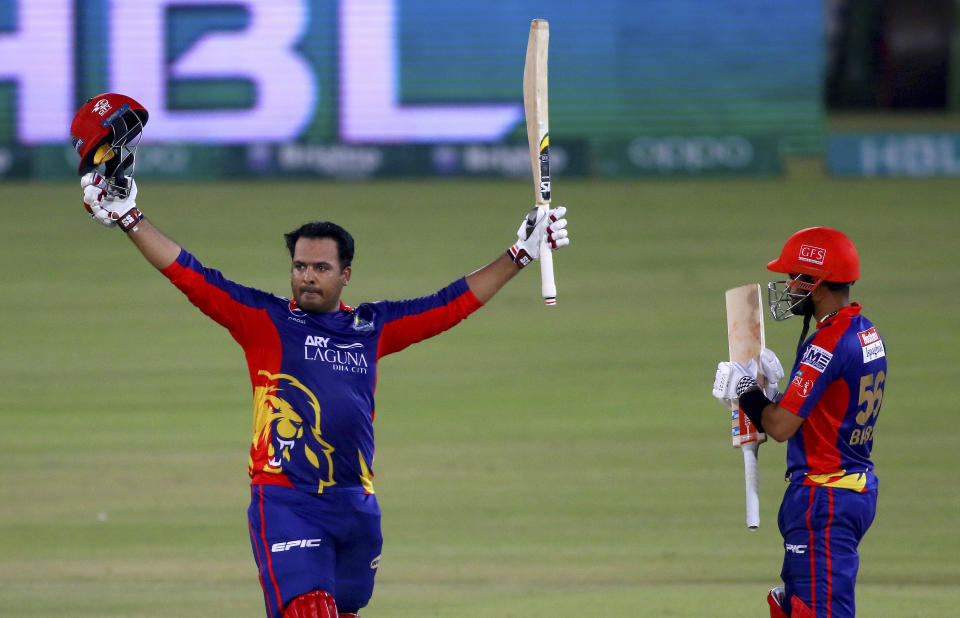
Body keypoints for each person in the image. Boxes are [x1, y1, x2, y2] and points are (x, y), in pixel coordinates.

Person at [78, 171, 568, 618]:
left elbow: (447, 306)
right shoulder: (265, 320)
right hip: (288, 501)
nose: (306, 276)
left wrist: (519, 254)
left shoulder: (371, 327)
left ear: (345, 274)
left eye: (319, 267)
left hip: (356, 505)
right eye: (298, 266)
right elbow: (191, 274)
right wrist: (130, 218)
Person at [712, 227, 886, 618]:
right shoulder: (865, 332)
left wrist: (745, 389)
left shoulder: (826, 344)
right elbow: (820, 415)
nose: (788, 286)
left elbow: (779, 427)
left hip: (823, 500)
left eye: (795, 277)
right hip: (851, 488)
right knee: (792, 605)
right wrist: (770, 394)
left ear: (817, 283)